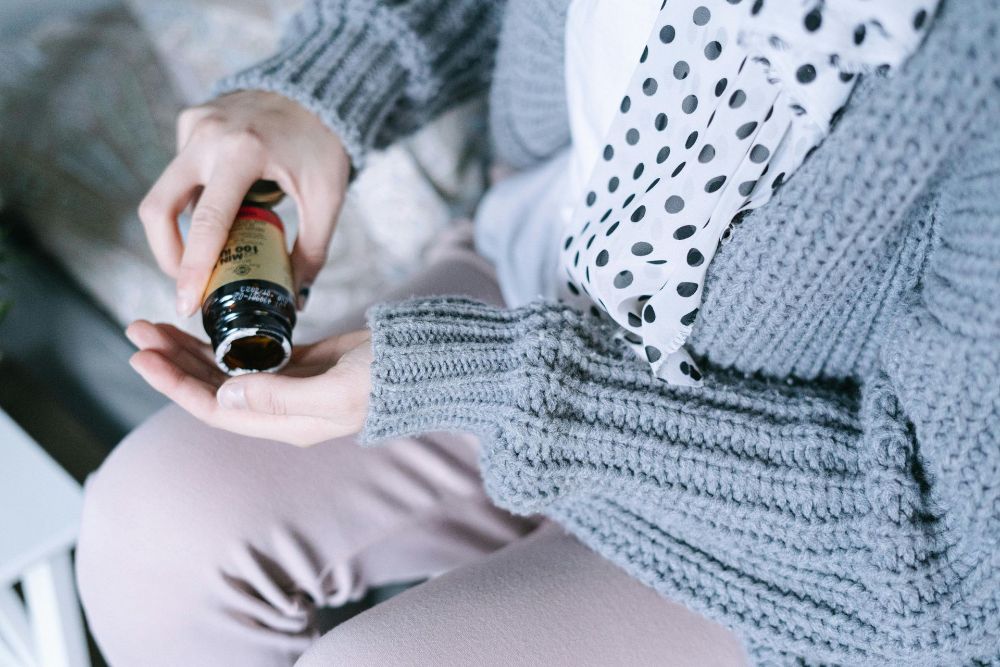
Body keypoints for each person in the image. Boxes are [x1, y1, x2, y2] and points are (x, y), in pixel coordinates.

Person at [76, 0, 1000, 665]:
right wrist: (329, 83)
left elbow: (955, 573)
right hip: (542, 277)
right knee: (148, 531)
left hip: (807, 540)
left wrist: (486, 383)